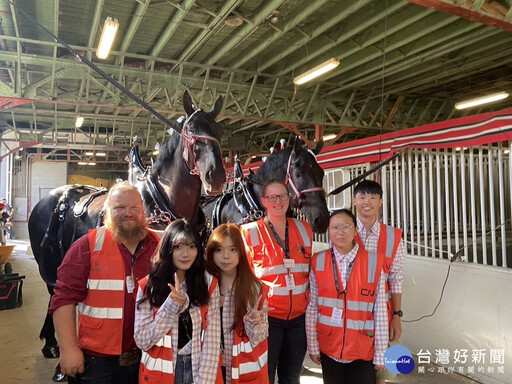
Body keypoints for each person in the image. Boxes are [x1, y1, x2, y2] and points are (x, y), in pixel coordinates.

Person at [50, 181, 160, 383]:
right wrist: (68, 349)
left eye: (134, 207)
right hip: (99, 364)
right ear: (108, 211)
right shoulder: (87, 246)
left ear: (143, 210)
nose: (128, 213)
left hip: (149, 358)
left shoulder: (159, 246)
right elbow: (63, 300)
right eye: (120, 207)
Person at [241, 179, 313, 384]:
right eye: (272, 197)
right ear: (264, 201)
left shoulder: (304, 229)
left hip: (299, 320)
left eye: (282, 196)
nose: (278, 202)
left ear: (289, 198)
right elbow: (243, 278)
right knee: (265, 376)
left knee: (291, 377)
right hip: (267, 320)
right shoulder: (248, 232)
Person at [134, 219, 221, 384]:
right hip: (160, 374)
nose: (186, 254)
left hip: (196, 369)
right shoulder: (148, 286)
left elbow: (212, 340)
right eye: (178, 247)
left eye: (192, 246)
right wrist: (171, 306)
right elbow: (142, 341)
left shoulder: (208, 284)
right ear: (168, 249)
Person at [306, 209, 387, 384]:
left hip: (363, 347)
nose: (340, 232)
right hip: (329, 346)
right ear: (329, 230)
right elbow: (312, 306)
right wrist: (313, 345)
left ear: (356, 230)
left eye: (346, 226)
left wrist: (380, 353)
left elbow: (380, 310)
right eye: (334, 227)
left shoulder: (373, 261)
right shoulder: (318, 261)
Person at [352, 180, 405, 384]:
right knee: (356, 370)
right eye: (362, 197)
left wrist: (397, 315)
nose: (368, 202)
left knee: (382, 373)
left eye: (373, 197)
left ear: (381, 202)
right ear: (354, 200)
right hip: (351, 316)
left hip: (383, 313)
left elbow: (396, 278)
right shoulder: (342, 231)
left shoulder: (393, 235)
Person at [205, 223, 270, 384]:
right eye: (219, 250)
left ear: (241, 252)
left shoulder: (254, 288)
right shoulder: (204, 284)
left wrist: (254, 322)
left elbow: (259, 337)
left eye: (232, 249)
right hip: (212, 366)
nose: (226, 256)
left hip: (243, 368)